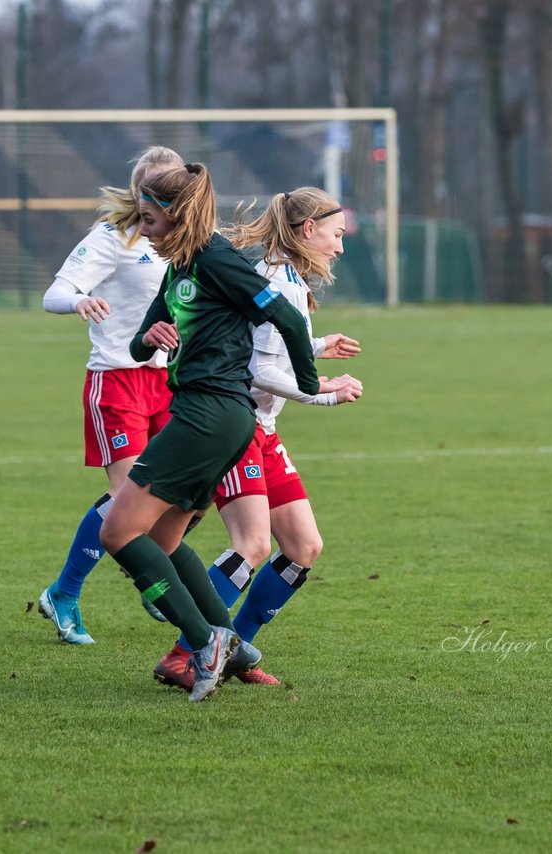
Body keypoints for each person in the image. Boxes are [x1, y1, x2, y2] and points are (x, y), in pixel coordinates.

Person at [97, 163, 324, 702]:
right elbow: (139, 346)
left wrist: (312, 385)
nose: (143, 230)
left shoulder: (217, 258)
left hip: (210, 415)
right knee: (164, 539)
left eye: (150, 219)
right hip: (205, 415)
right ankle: (234, 647)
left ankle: (205, 642)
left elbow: (287, 322)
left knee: (117, 532)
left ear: (174, 216)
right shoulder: (179, 266)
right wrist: (148, 338)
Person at [150, 187, 363, 690]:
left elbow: (262, 346)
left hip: (263, 431)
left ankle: (232, 653)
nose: (339, 247)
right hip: (236, 426)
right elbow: (257, 368)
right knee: (251, 545)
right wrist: (323, 394)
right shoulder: (275, 279)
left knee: (303, 547)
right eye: (336, 235)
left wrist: (314, 346)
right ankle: (189, 651)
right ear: (307, 230)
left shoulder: (282, 274)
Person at [36, 146, 184, 644]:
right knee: (127, 499)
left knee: (188, 490)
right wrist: (80, 298)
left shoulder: (186, 241)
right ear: (141, 192)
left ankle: (151, 568)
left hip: (171, 382)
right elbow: (54, 293)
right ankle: (65, 593)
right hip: (117, 380)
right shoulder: (113, 237)